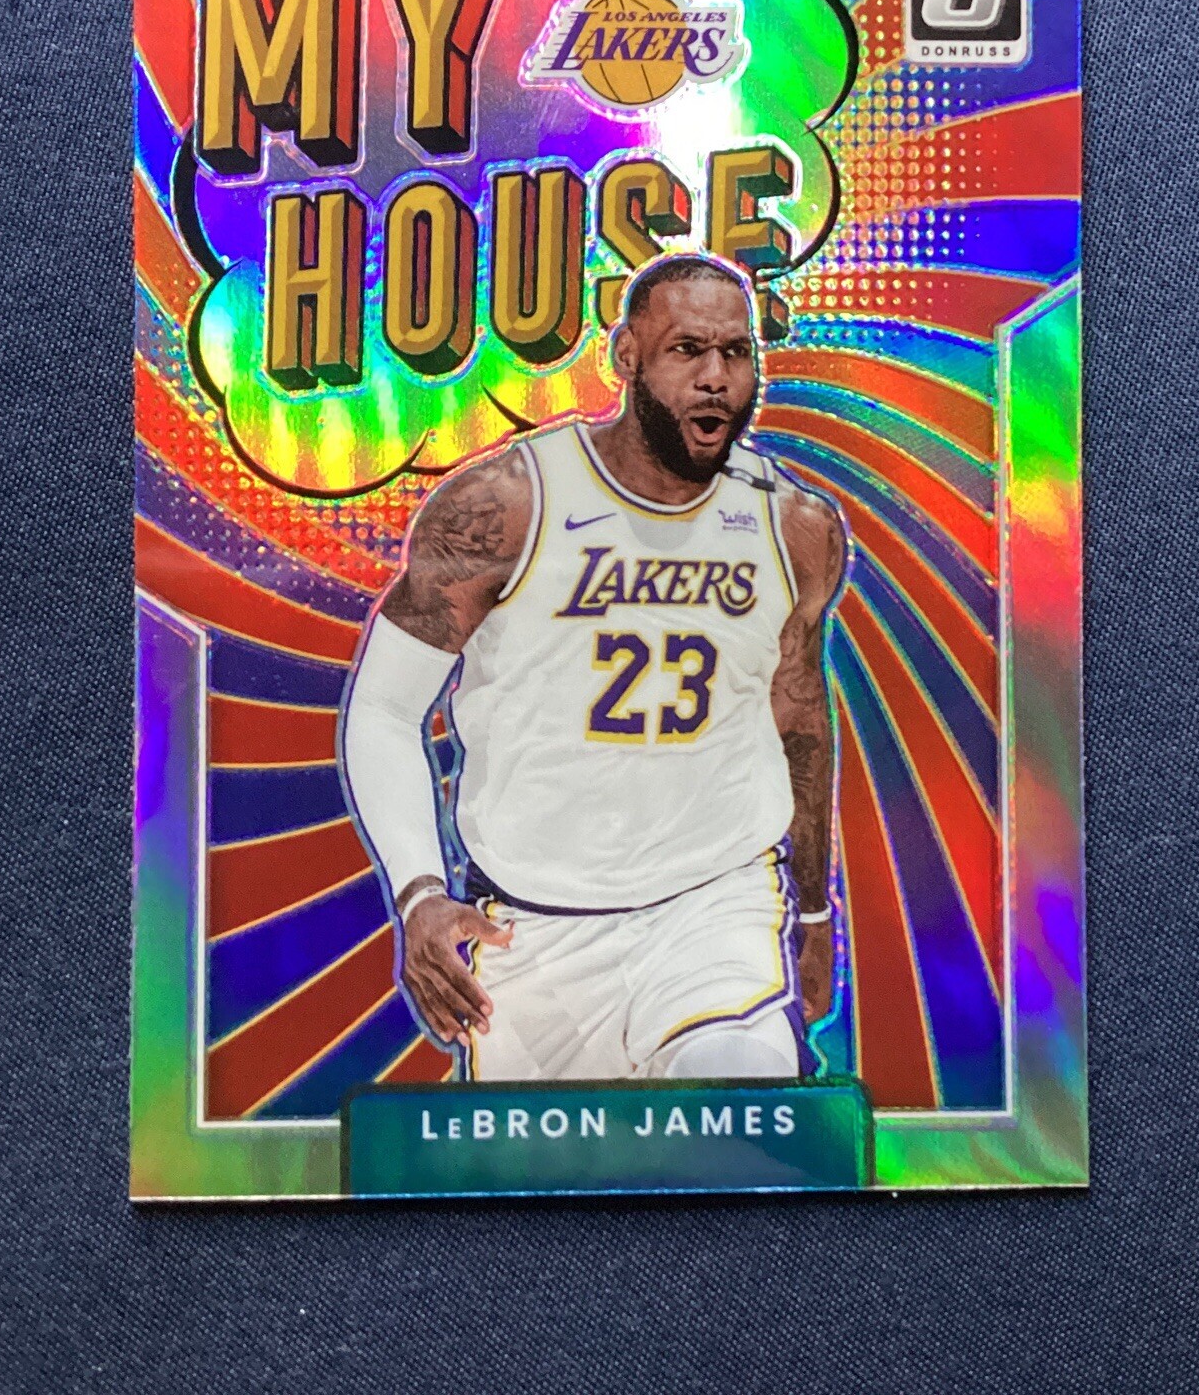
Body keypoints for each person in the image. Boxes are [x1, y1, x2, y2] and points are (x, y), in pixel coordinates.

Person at [341, 252, 848, 1080]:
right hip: (533, 927)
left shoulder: (793, 526)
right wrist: (420, 894)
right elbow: (385, 710)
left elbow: (797, 719)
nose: (716, 377)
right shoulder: (505, 506)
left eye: (736, 352)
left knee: (732, 1106)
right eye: (687, 350)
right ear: (626, 358)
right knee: (554, 1161)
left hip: (714, 911)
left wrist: (816, 912)